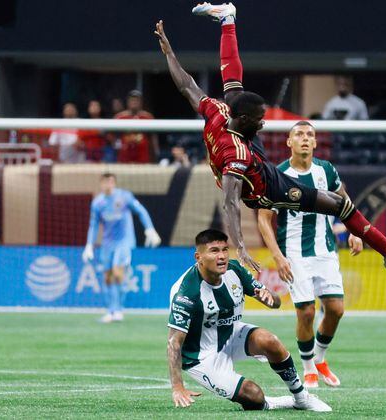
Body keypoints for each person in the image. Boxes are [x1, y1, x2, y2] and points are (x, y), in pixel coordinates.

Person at [154, 5, 386, 273]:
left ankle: (227, 20)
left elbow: (186, 85)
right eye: (259, 118)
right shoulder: (237, 156)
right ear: (245, 120)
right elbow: (231, 203)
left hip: (246, 149)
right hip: (268, 188)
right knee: (339, 204)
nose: (264, 122)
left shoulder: (219, 110)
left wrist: (168, 53)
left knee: (234, 91)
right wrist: (241, 247)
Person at [167, 229, 331, 412]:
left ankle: (301, 398)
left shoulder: (235, 270)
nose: (221, 256)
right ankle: (271, 403)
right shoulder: (186, 292)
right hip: (202, 356)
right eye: (214, 251)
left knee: (270, 341)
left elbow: (275, 302)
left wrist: (269, 297)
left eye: (224, 249)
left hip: (232, 334)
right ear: (199, 257)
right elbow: (174, 342)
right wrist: (177, 387)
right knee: (253, 396)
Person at [257, 120, 363, 389]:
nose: (305, 138)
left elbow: (344, 202)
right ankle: (308, 369)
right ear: (288, 142)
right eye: (299, 134)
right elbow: (263, 218)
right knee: (306, 312)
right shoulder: (277, 175)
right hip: (294, 255)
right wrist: (278, 257)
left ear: (315, 143)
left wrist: (355, 230)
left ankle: (320, 359)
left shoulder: (326, 170)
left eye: (310, 135)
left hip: (325, 251)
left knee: (336, 310)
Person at [82, 173, 162, 323]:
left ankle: (118, 309)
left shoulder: (124, 197)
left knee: (118, 273)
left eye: (111, 182)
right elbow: (93, 226)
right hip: (107, 243)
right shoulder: (98, 203)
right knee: (107, 277)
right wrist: (89, 245)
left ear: (114, 183)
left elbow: (141, 211)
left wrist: (149, 229)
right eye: (105, 182)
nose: (108, 185)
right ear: (101, 184)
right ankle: (110, 310)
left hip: (124, 241)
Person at [114, 90, 159, 163]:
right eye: (132, 100)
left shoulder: (147, 117)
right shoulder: (120, 117)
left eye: (136, 100)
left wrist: (156, 153)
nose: (134, 102)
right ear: (128, 102)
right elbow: (114, 137)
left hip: (143, 156)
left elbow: (153, 137)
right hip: (125, 155)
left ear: (141, 102)